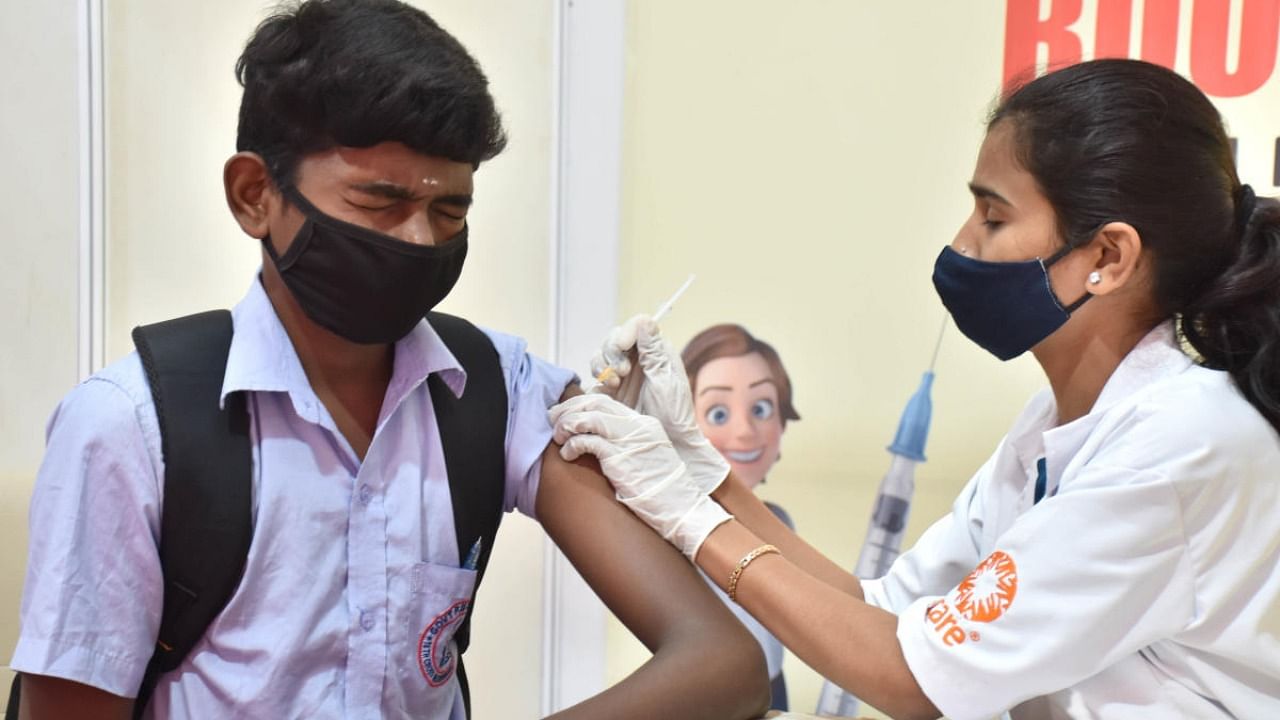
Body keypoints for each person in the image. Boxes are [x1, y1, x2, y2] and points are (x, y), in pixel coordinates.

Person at [7, 2, 771, 718]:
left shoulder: (495, 394)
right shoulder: (132, 429)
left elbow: (723, 664)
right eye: (379, 203)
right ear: (254, 196)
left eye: (450, 210)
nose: (419, 243)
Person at [552, 58, 1280, 720]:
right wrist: (703, 475)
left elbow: (913, 678)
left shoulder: (1178, 446)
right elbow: (887, 611)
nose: (962, 245)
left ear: (1108, 256)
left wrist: (685, 517)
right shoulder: (1057, 426)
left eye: (994, 218)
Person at [681, 324, 803, 710]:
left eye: (762, 408)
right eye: (718, 412)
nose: (745, 431)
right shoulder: (675, 529)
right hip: (704, 700)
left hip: (772, 693)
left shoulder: (779, 522)